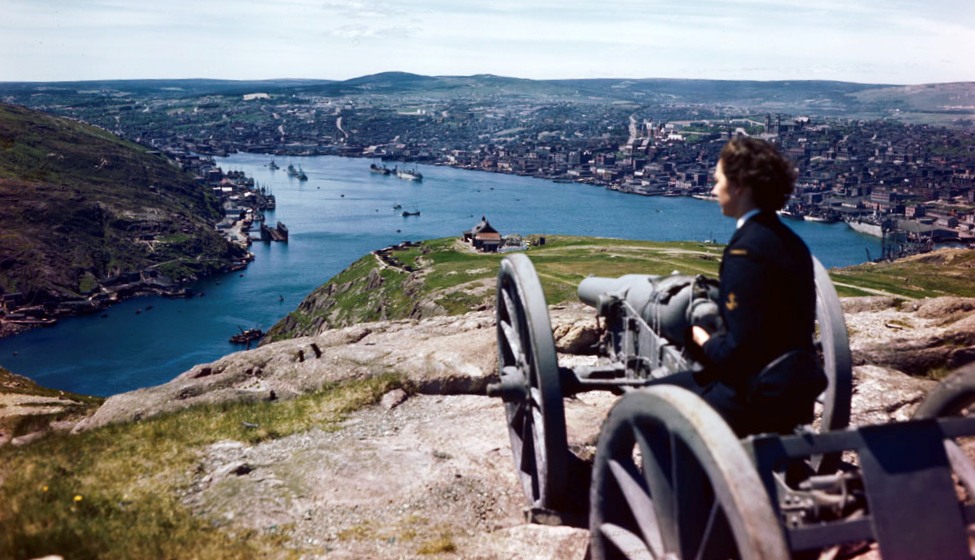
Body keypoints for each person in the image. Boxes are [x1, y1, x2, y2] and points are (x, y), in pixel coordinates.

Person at [666, 136, 827, 436]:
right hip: (795, 391)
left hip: (753, 397)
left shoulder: (746, 251)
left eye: (718, 181)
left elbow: (737, 353)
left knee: (650, 401)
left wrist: (703, 340)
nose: (713, 190)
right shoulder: (792, 242)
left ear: (739, 185)